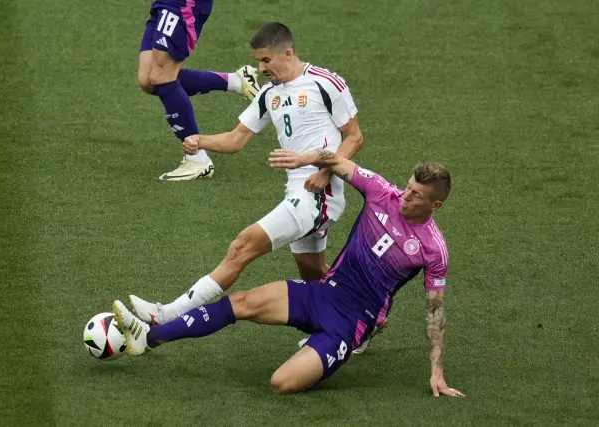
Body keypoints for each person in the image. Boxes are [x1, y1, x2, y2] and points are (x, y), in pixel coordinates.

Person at [113, 149, 463, 397]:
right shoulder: (382, 192)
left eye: (416, 195)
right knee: (241, 303)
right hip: (324, 292)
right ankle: (148, 339)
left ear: (435, 205)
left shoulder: (433, 249)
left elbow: (435, 311)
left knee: (281, 384)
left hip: (352, 322)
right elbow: (336, 160)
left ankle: (325, 352)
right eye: (408, 186)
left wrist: (437, 371)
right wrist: (304, 159)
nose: (405, 196)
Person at [128, 22, 364, 324]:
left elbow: (354, 137)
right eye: (258, 61)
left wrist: (326, 173)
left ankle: (167, 314)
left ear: (288, 53)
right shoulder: (269, 94)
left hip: (319, 194)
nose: (261, 68)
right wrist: (200, 140)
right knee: (313, 273)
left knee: (241, 247)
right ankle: (363, 319)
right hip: (298, 192)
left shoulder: (324, 82)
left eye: (266, 60)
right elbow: (236, 139)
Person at [139, 0, 262, 181]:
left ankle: (197, 159)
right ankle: (237, 81)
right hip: (165, 3)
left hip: (181, 4)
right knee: (148, 80)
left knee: (161, 76)